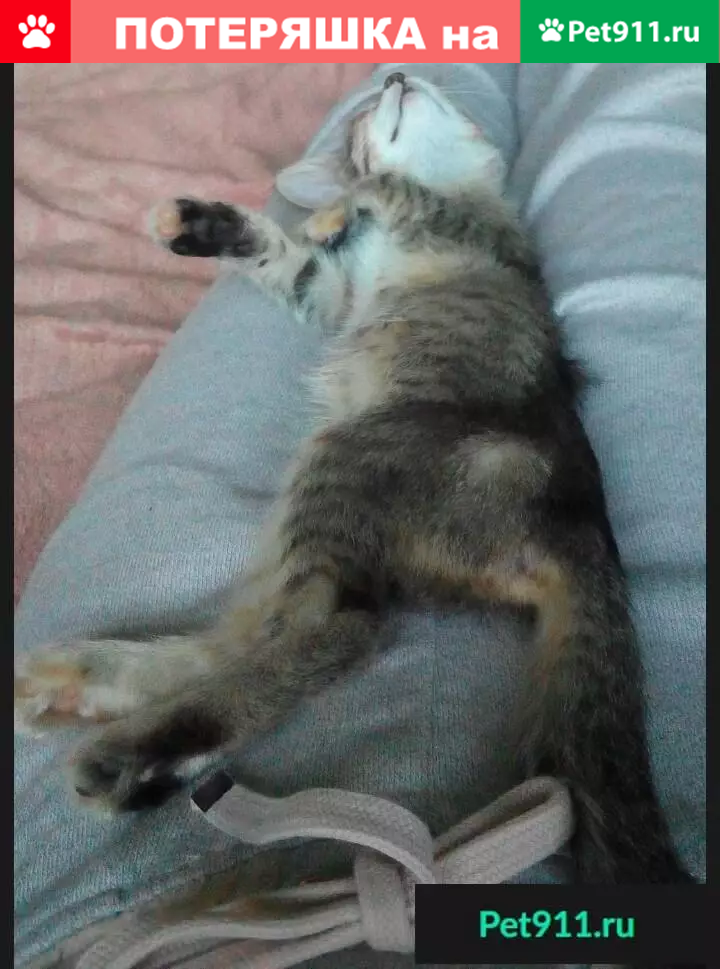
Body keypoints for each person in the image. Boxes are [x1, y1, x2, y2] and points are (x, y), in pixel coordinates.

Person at [14, 63, 706, 969]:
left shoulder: (472, 212)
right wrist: (250, 239)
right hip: (483, 448)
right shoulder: (426, 202)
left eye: (396, 106)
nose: (394, 93)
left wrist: (358, 187)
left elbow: (412, 225)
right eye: (374, 117)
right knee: (340, 500)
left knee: (336, 483)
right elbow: (320, 289)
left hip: (464, 425)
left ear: (474, 148)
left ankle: (215, 676)